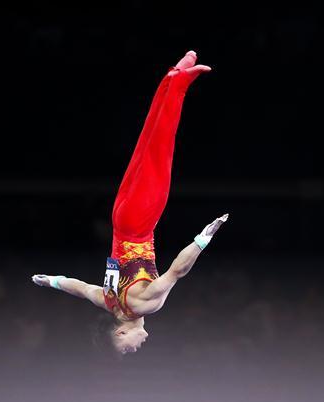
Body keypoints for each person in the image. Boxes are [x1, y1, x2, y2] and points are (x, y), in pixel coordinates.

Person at [33, 50, 228, 354]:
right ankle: (171, 78)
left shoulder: (142, 306)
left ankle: (179, 85)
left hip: (139, 222)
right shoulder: (109, 301)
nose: (136, 348)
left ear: (121, 332)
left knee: (161, 149)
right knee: (146, 145)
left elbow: (177, 271)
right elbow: (80, 288)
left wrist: (204, 238)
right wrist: (50, 281)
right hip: (120, 218)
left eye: (127, 348)